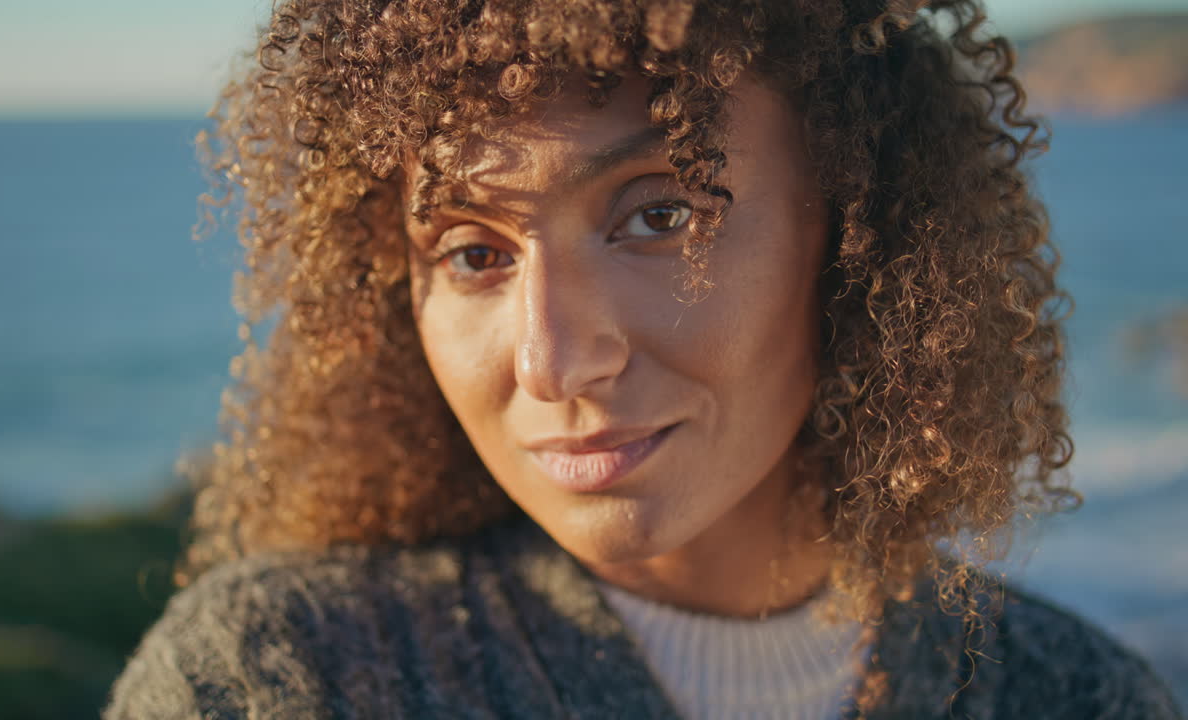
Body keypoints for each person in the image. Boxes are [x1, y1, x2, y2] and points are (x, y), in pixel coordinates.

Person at [106, 0, 1183, 718]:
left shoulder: (1072, 697)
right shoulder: (274, 681)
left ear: (858, 230)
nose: (552, 360)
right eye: (472, 251)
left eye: (660, 216)